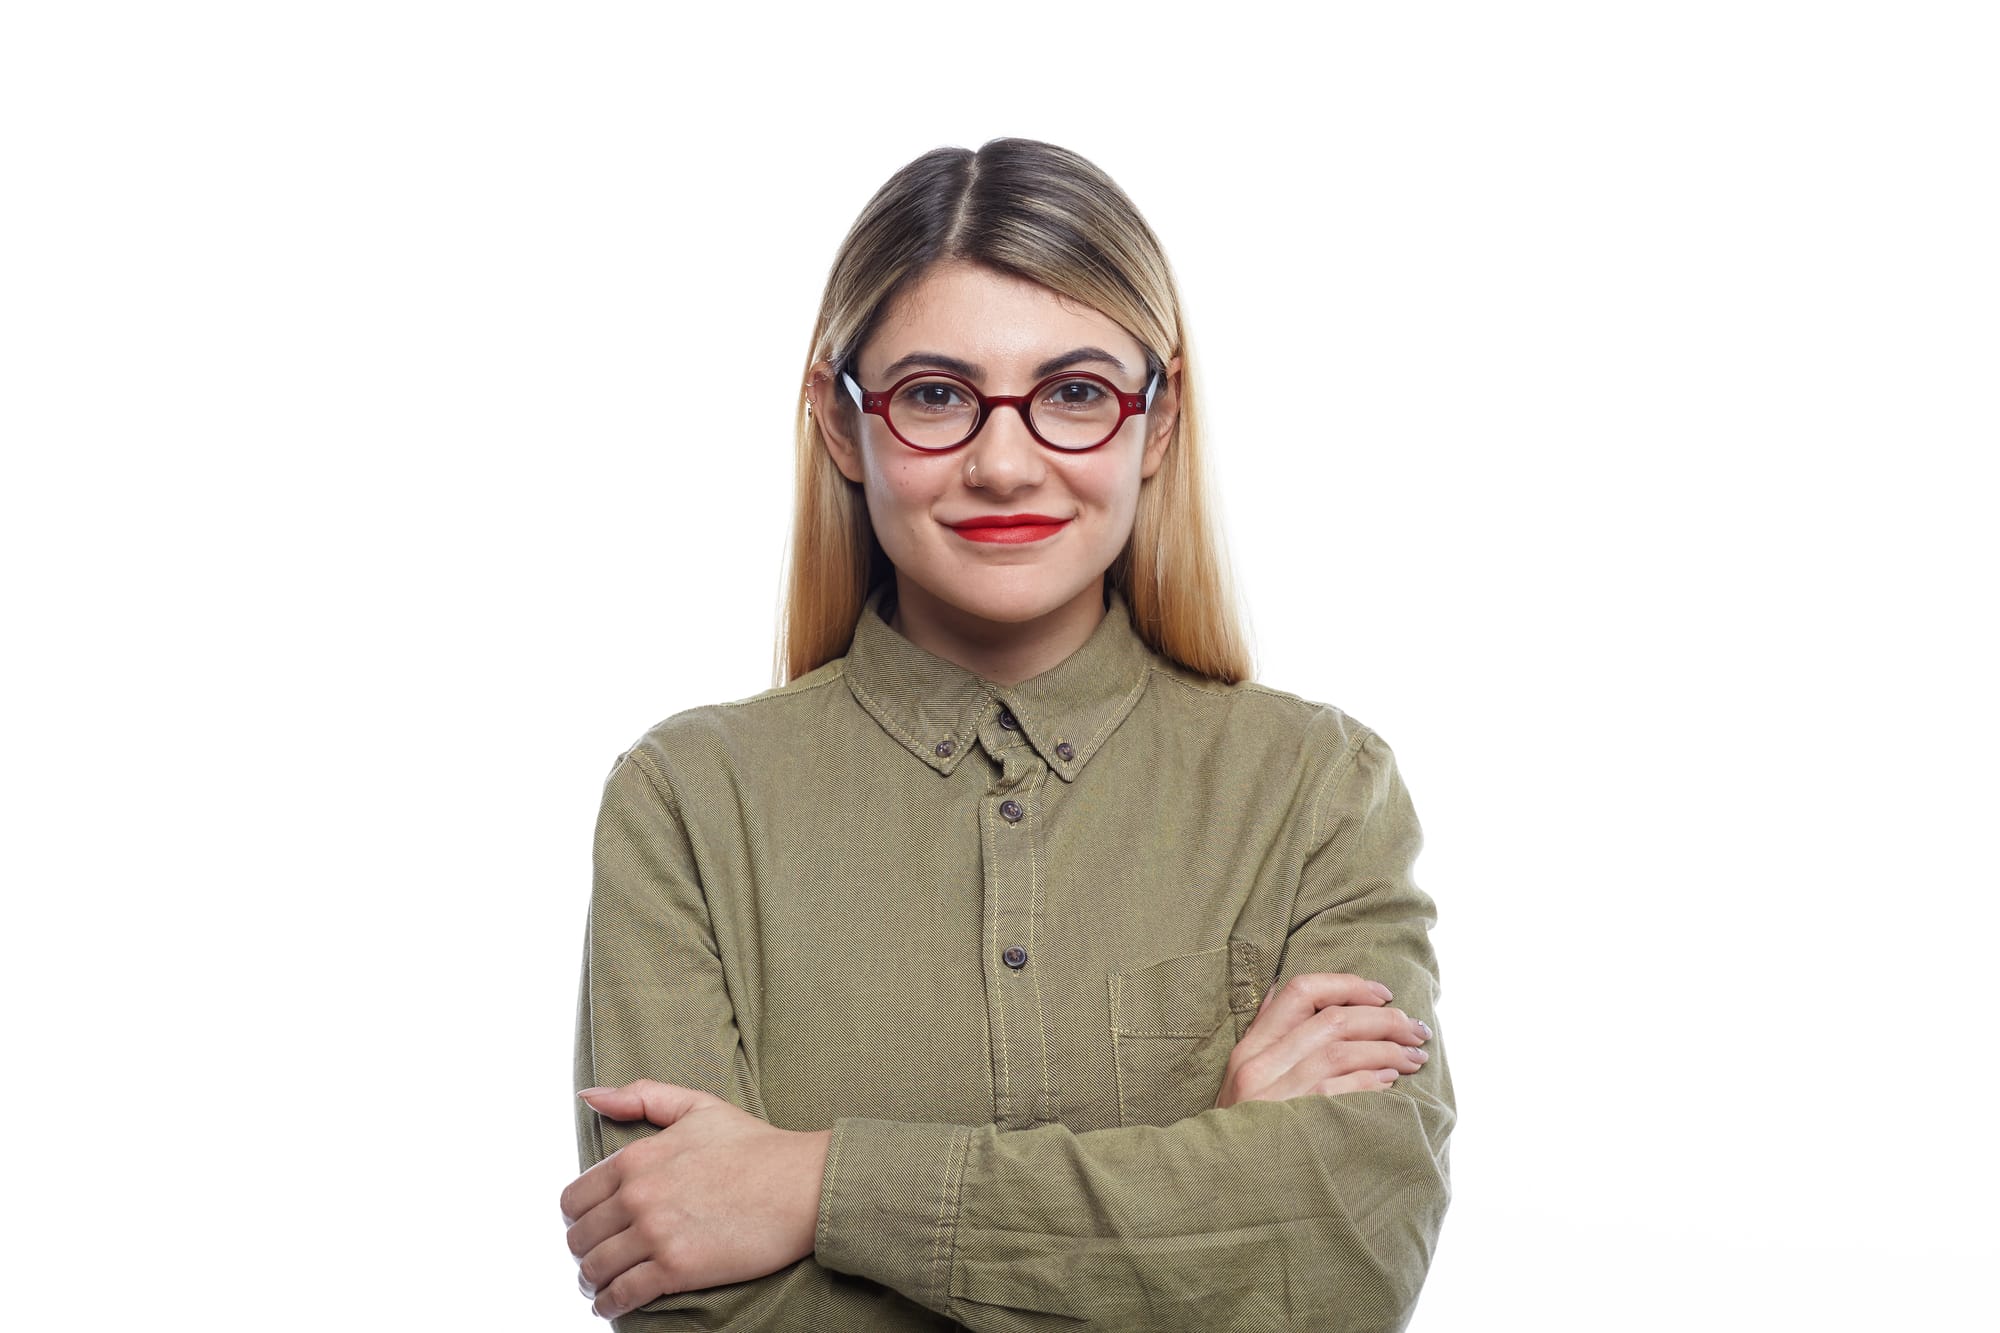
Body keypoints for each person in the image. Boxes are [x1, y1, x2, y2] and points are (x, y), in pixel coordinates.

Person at [560, 138, 1453, 1331]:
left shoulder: (1312, 791)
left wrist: (816, 1183)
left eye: (1074, 393)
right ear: (842, 423)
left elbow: (1342, 1250)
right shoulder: (687, 800)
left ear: (1157, 419)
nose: (1002, 460)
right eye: (935, 394)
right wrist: (1206, 1193)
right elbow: (694, 1300)